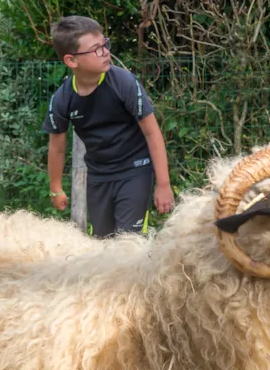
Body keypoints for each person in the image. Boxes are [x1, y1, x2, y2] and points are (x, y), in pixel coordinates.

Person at [43, 15, 174, 238]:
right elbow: (56, 147)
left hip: (135, 170)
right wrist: (56, 188)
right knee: (101, 243)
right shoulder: (62, 99)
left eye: (105, 44)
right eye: (96, 49)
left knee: (129, 242)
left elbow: (152, 133)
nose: (105, 52)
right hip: (98, 176)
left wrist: (163, 184)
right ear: (72, 61)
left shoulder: (123, 82)